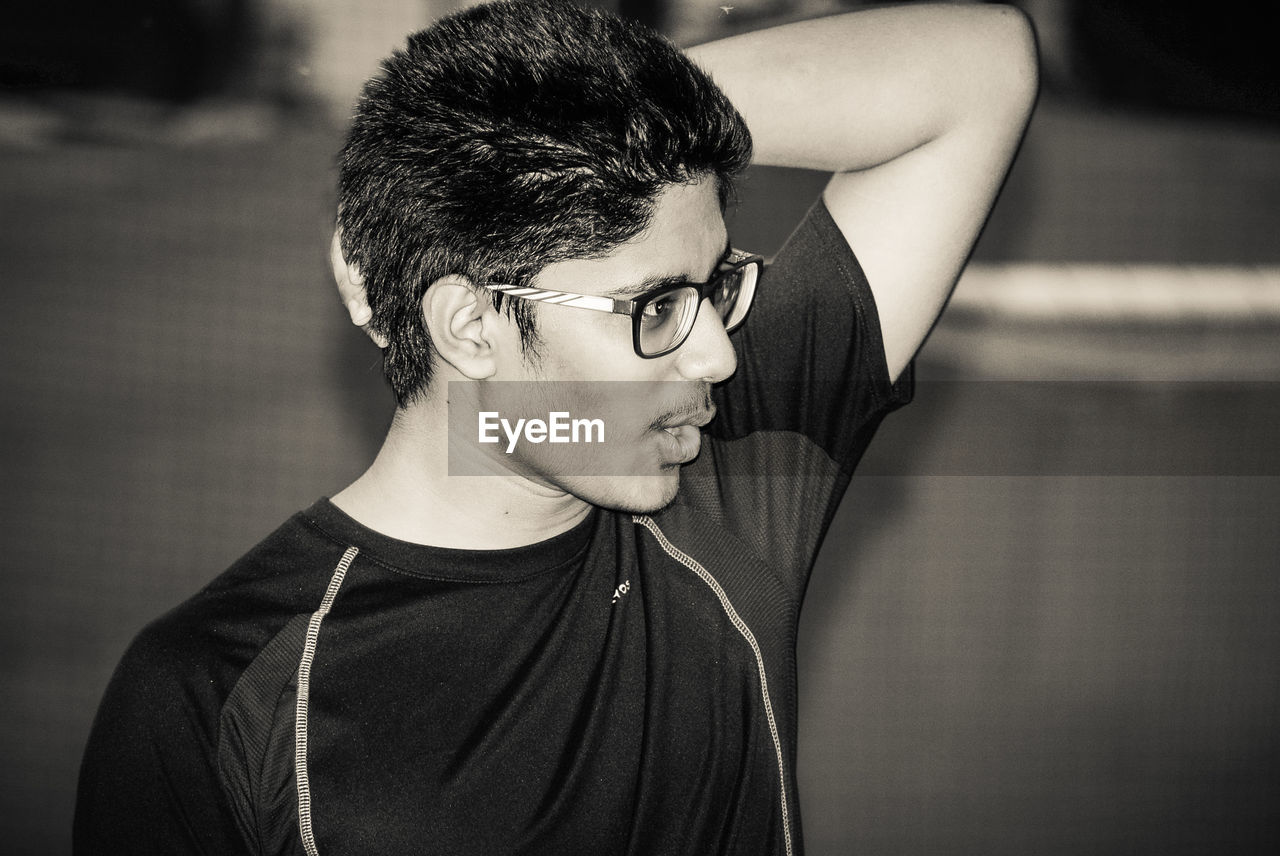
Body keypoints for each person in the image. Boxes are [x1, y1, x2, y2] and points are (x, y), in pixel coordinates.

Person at [74, 0, 1037, 853]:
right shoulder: (217, 690)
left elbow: (982, 64)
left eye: (714, 288)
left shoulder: (720, 464)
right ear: (472, 323)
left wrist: (592, 106)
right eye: (656, 306)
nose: (717, 355)